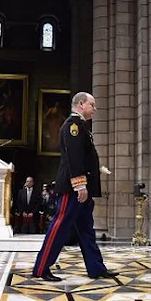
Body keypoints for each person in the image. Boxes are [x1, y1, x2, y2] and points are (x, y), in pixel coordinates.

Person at [33, 92, 118, 281]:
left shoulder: (81, 126)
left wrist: (95, 171)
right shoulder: (74, 125)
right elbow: (74, 157)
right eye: (92, 105)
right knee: (60, 225)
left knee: (87, 229)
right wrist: (80, 185)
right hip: (73, 189)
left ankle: (96, 268)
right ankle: (41, 268)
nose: (95, 109)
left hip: (81, 187)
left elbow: (84, 157)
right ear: (81, 104)